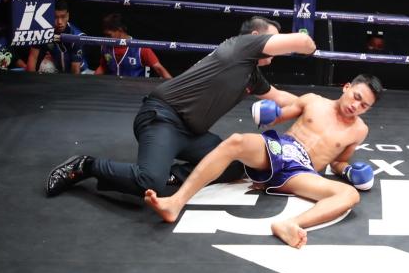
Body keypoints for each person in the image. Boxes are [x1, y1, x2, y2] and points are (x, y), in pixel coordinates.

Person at [46, 16, 316, 199]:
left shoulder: (251, 74)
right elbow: (303, 43)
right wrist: (309, 44)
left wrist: (315, 105)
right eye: (274, 38)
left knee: (235, 163)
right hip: (163, 117)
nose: (277, 46)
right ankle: (85, 165)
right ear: (256, 37)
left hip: (191, 134)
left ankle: (172, 176)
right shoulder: (241, 46)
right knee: (149, 182)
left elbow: (282, 97)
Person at [145, 74, 382, 248]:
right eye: (356, 97)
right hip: (280, 148)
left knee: (350, 195)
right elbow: (275, 119)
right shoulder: (313, 101)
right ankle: (175, 202)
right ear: (347, 87)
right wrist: (268, 113)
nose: (356, 106)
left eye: (364, 105)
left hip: (303, 172)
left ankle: (291, 224)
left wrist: (349, 171)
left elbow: (339, 162)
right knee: (236, 141)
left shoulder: (359, 130)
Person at [94, 13, 172, 79]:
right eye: (105, 35)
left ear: (120, 30)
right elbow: (103, 66)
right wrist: (91, 81)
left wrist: (174, 89)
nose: (106, 38)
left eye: (109, 35)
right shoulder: (105, 46)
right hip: (112, 88)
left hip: (135, 89)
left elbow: (159, 69)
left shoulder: (141, 48)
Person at [26, 0, 88, 74]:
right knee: (46, 66)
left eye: (63, 17)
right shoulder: (41, 32)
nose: (59, 22)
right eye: (55, 17)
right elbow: (32, 58)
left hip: (79, 73)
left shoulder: (76, 36)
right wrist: (31, 80)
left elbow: (75, 69)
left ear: (68, 16)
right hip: (57, 71)